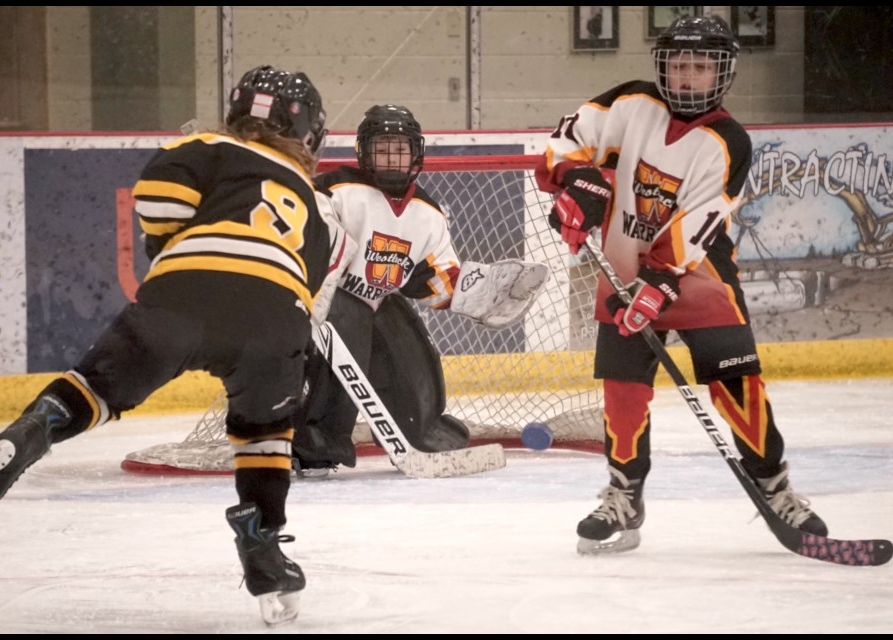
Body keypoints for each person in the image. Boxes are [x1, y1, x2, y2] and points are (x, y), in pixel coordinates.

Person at [0, 64, 338, 626]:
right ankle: (263, 541)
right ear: (308, 133)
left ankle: (40, 427)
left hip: (184, 292)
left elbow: (157, 200)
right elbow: (309, 278)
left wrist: (177, 245)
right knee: (264, 431)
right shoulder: (313, 198)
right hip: (275, 316)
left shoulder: (207, 145)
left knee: (99, 386)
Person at [535, 15, 828, 555]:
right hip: (623, 267)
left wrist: (661, 281)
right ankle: (624, 495)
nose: (686, 77)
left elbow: (696, 225)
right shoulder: (630, 103)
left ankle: (775, 486)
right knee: (623, 393)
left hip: (700, 275)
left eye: (699, 66)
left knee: (737, 386)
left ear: (723, 74)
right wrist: (576, 184)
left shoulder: (729, 141)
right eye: (677, 64)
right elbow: (565, 141)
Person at [292, 104, 545, 474]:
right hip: (319, 306)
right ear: (364, 152)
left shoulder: (428, 213)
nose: (391, 158)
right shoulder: (336, 188)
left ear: (416, 152)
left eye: (400, 149)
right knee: (350, 324)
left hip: (375, 302)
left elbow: (434, 279)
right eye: (382, 148)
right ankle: (313, 440)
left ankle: (419, 428)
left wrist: (483, 294)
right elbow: (304, 235)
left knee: (410, 353)